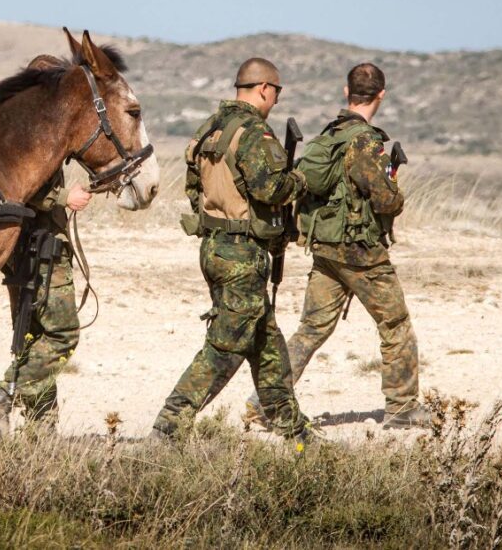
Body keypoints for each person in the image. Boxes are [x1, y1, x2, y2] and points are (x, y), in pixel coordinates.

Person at [242, 63, 432, 430]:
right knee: (396, 324)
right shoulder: (364, 141)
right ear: (381, 95)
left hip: (325, 249)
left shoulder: (329, 135)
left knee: (310, 329)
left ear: (347, 93)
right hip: (361, 254)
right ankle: (402, 407)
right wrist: (395, 190)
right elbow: (386, 200)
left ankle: (265, 402)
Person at [151, 57, 313, 442]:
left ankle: (293, 431)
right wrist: (299, 181)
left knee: (266, 342)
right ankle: (168, 427)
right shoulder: (255, 132)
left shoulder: (211, 129)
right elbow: (269, 189)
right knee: (226, 345)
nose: (275, 100)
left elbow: (193, 188)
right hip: (242, 253)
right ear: (264, 89)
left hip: (215, 247)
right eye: (276, 92)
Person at [0, 170, 91, 436]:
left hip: (24, 247)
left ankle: (41, 430)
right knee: (61, 335)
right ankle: (0, 400)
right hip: (41, 249)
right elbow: (19, 179)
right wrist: (62, 197)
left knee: (35, 341)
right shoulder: (35, 129)